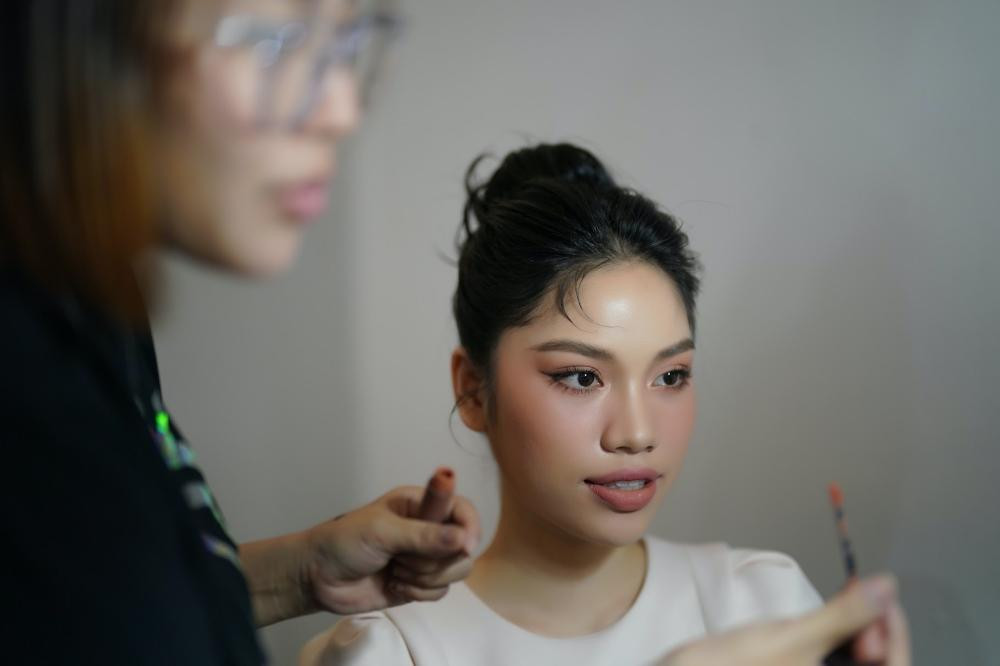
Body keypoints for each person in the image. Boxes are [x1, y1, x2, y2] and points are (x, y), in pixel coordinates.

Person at [300, 144, 910, 665]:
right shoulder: (391, 652)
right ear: (473, 389)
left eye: (670, 376)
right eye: (582, 377)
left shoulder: (763, 606)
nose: (637, 433)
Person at [2, 2, 479, 663]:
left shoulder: (92, 307)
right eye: (276, 42)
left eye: (345, 47)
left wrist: (298, 571)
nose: (341, 109)